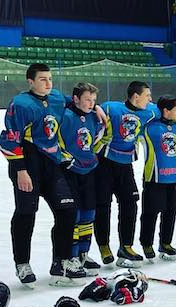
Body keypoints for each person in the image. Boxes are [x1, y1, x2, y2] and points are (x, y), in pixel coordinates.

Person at [0, 63, 85, 287]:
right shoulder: (20, 104)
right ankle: (22, 263)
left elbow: (76, 101)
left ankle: (61, 261)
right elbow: (9, 139)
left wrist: (98, 108)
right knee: (27, 212)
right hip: (27, 163)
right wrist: (21, 171)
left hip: (51, 163)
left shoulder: (56, 97)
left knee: (67, 210)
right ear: (31, 82)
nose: (48, 83)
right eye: (43, 79)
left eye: (50, 78)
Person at [93, 81, 159, 267]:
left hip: (126, 165)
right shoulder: (111, 108)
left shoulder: (150, 111)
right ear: (136, 96)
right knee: (103, 205)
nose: (150, 99)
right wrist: (96, 107)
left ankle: (126, 246)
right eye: (147, 95)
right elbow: (88, 109)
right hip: (104, 163)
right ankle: (104, 245)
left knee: (130, 203)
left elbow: (169, 110)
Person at [57, 82, 105, 275]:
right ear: (76, 99)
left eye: (94, 100)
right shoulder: (65, 117)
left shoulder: (94, 116)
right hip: (71, 172)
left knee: (88, 213)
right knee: (74, 216)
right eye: (87, 99)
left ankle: (84, 254)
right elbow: (56, 140)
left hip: (89, 170)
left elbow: (103, 134)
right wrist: (66, 160)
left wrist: (94, 153)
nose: (91, 103)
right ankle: (73, 255)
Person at [138, 96, 176, 261]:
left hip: (174, 178)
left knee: (171, 212)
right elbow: (142, 113)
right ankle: (146, 243)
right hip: (154, 179)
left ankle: (165, 242)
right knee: (150, 213)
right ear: (165, 111)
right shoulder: (149, 128)